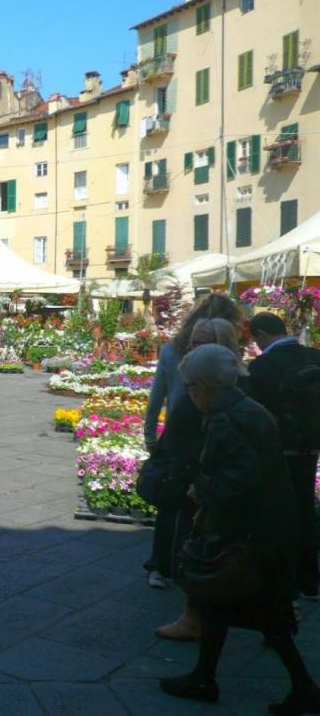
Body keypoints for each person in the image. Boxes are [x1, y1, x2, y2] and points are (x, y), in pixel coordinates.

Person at [159, 344, 320, 713]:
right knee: (219, 602)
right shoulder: (244, 406)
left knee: (262, 612)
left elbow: (240, 479)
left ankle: (303, 686)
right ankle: (204, 676)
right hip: (266, 526)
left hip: (249, 532)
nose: (189, 393)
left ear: (202, 385)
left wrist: (202, 490)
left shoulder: (225, 417)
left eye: (190, 386)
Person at [144, 294, 243, 594]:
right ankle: (187, 564)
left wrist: (150, 433)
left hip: (177, 433)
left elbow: (156, 395)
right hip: (198, 434)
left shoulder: (171, 350)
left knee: (172, 504)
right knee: (194, 504)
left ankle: (161, 566)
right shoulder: (224, 357)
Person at [246, 311, 320, 602]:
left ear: (262, 335)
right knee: (305, 505)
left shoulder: (263, 366)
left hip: (279, 449)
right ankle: (310, 578)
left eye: (256, 339)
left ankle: (285, 579)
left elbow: (256, 414)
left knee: (279, 511)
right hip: (312, 446)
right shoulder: (316, 355)